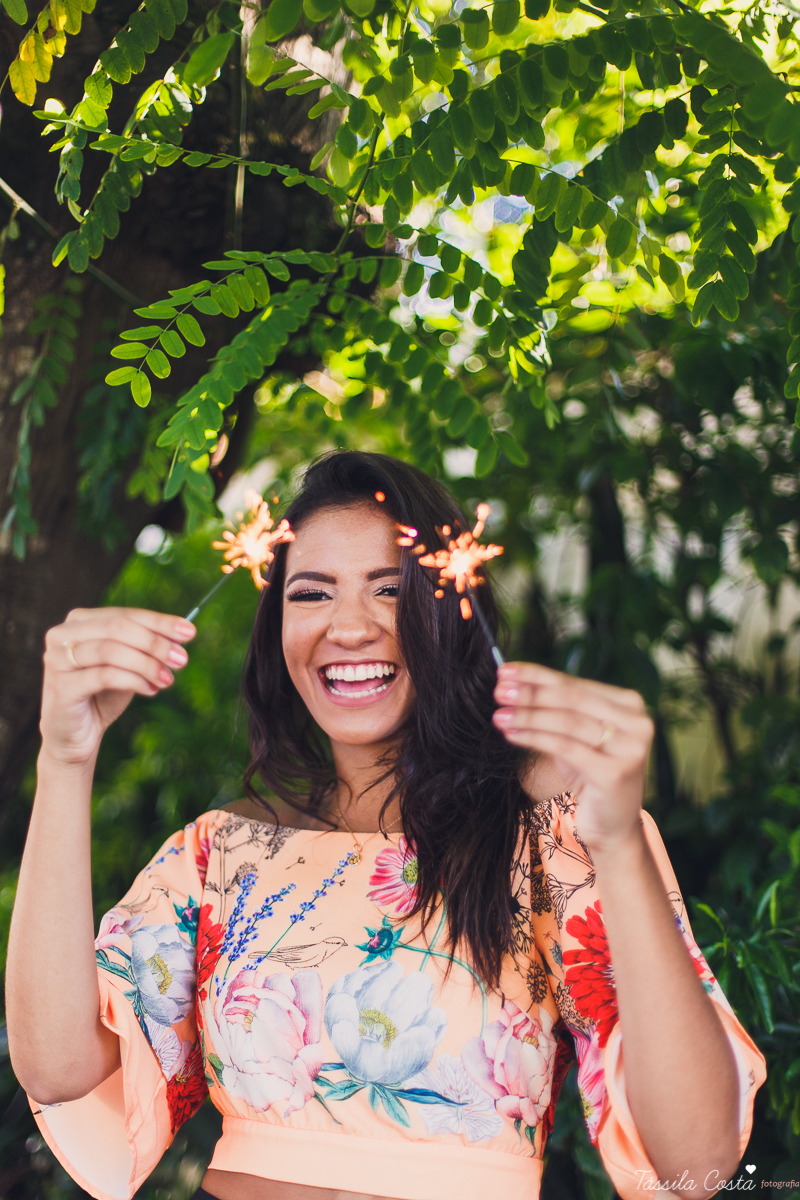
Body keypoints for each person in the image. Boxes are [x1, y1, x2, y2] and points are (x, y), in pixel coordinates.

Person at [7, 451, 765, 1200]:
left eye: (390, 588)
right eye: (311, 593)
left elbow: (690, 1161)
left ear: (447, 606)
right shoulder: (221, 851)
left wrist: (623, 846)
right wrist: (66, 760)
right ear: (278, 625)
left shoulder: (553, 828)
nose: (349, 627)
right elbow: (60, 1069)